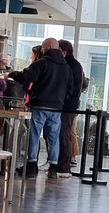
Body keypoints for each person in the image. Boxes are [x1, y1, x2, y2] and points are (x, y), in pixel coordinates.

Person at [8, 37, 70, 179]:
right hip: (56, 108)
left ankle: (31, 166)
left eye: (43, 47)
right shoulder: (66, 67)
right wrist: (61, 100)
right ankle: (53, 167)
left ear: (48, 48)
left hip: (39, 105)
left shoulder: (42, 63)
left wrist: (11, 74)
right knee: (54, 138)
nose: (41, 49)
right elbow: (70, 88)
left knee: (34, 136)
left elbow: (26, 77)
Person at [55, 39, 85, 178]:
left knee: (64, 135)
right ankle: (61, 165)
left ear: (64, 52)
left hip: (66, 106)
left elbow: (68, 86)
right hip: (70, 105)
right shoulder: (75, 65)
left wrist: (62, 98)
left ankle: (63, 167)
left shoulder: (68, 65)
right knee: (65, 134)